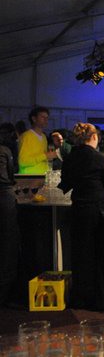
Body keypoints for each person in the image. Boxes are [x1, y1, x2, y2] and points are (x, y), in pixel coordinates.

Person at [58, 123, 104, 310]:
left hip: (78, 211)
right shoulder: (101, 158)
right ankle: (100, 300)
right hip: (98, 212)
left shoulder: (70, 158)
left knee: (80, 255)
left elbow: (65, 185)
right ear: (93, 137)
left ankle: (80, 298)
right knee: (101, 255)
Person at [0, 123, 19, 305]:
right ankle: (5, 295)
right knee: (8, 243)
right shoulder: (5, 150)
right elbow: (12, 174)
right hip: (4, 196)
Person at [18, 106, 57, 173]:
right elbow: (22, 161)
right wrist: (45, 156)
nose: (46, 120)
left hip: (42, 176)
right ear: (34, 119)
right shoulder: (26, 136)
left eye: (47, 118)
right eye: (42, 117)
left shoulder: (44, 137)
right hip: (30, 177)